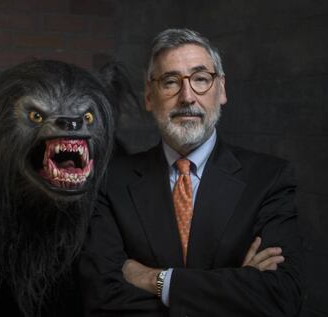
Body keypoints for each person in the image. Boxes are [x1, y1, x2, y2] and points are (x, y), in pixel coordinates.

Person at [79, 28, 302, 317]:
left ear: (221, 89)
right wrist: (237, 288)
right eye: (170, 81)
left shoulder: (269, 179)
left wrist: (154, 279)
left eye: (200, 79)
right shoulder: (110, 180)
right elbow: (100, 298)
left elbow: (281, 296)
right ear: (149, 95)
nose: (187, 97)